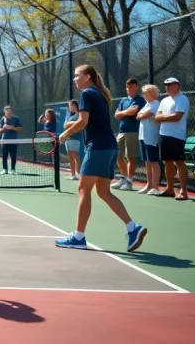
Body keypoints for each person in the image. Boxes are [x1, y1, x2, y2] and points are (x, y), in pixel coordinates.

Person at [56, 64, 147, 252]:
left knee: (83, 189)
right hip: (109, 147)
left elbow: (83, 121)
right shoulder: (100, 94)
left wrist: (65, 134)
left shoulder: (87, 94)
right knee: (104, 192)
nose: (74, 79)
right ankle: (133, 227)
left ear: (87, 77)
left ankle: (78, 237)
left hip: (97, 147)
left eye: (77, 75)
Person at [154, 77, 190, 201]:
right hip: (163, 135)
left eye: (170, 84)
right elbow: (156, 117)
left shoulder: (182, 99)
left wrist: (163, 117)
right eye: (166, 85)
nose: (167, 87)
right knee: (167, 162)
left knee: (179, 162)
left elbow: (177, 117)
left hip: (177, 136)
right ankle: (170, 189)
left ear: (177, 85)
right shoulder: (164, 101)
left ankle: (183, 191)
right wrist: (166, 116)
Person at [113, 78, 145, 191]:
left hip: (133, 132)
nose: (129, 89)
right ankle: (124, 177)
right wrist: (126, 112)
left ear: (136, 87)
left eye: (131, 86)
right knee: (117, 155)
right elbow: (116, 115)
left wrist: (123, 113)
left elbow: (134, 111)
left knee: (130, 157)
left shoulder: (140, 100)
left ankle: (129, 181)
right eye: (127, 87)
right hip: (122, 132)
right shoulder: (123, 100)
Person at [136, 84, 162, 195]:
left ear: (151, 93)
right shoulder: (147, 104)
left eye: (145, 93)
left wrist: (140, 114)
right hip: (143, 136)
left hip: (152, 138)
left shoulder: (156, 104)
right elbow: (138, 115)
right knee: (147, 162)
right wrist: (140, 114)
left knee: (154, 162)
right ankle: (149, 185)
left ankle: (156, 187)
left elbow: (142, 116)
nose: (144, 96)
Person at [0, 106, 22, 175]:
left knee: (13, 155)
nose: (7, 111)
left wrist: (12, 128)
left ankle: (13, 169)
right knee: (4, 156)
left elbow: (20, 129)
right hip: (5, 140)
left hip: (13, 140)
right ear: (4, 111)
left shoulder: (16, 119)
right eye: (6, 110)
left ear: (11, 111)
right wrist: (3, 128)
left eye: (8, 110)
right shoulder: (2, 119)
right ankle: (4, 169)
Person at [63, 100, 82, 180]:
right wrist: (70, 123)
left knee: (76, 157)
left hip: (75, 138)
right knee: (70, 157)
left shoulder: (79, 114)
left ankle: (78, 175)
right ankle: (73, 175)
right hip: (68, 138)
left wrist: (70, 123)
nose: (69, 107)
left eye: (70, 105)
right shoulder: (70, 115)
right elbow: (65, 126)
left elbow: (78, 124)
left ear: (75, 105)